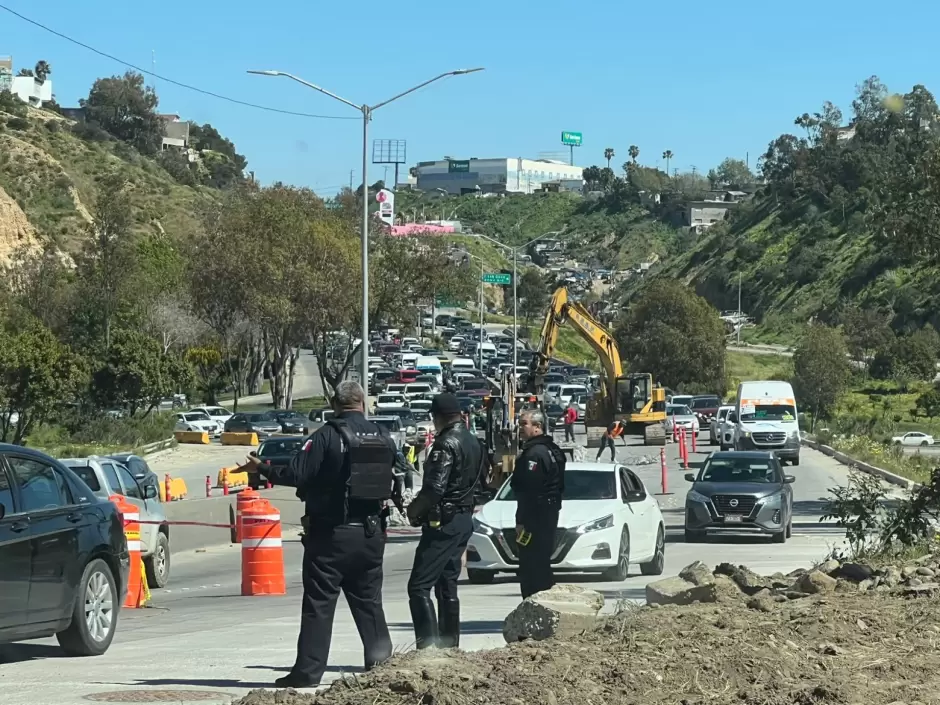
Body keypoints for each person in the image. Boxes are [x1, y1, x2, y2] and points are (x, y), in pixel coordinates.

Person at [244, 381, 396, 689]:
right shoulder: (383, 437)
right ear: (362, 404)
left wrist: (264, 468)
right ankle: (381, 665)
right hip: (370, 533)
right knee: (369, 602)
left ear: (335, 404)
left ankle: (308, 672)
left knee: (319, 604)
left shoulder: (327, 436)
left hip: (331, 536)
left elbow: (297, 473)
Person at [406, 393, 482, 650]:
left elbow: (434, 489)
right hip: (463, 519)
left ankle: (427, 649)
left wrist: (414, 511)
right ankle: (450, 646)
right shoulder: (473, 441)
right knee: (447, 584)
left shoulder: (446, 444)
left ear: (437, 417)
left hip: (444, 522)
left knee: (419, 586)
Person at [512, 409, 566, 599]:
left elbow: (529, 490)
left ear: (537, 427)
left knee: (531, 565)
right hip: (549, 512)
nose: (520, 428)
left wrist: (521, 521)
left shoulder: (535, 453)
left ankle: (533, 606)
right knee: (541, 562)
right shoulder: (553, 449)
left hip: (536, 515)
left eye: (523, 424)